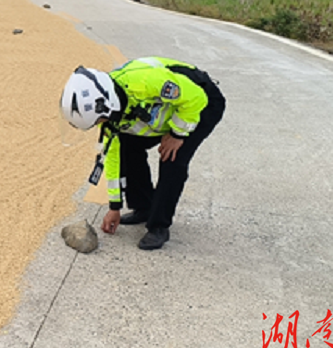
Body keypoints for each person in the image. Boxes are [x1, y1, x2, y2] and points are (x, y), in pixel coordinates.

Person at [59, 57, 225, 250]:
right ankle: (144, 207)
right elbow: (113, 159)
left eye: (99, 120)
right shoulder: (110, 113)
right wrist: (115, 207)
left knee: (172, 158)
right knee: (126, 146)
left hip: (200, 104)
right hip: (169, 111)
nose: (100, 124)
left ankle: (159, 226)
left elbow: (196, 97)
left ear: (106, 105)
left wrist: (177, 133)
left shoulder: (145, 81)